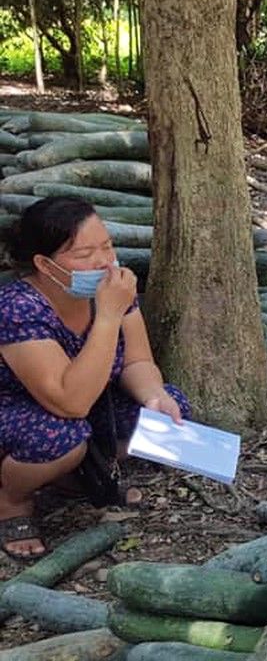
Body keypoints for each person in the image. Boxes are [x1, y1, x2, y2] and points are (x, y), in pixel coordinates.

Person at [0, 198, 189, 560]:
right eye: (85, 253)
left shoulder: (113, 291)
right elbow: (69, 402)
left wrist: (152, 395)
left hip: (89, 403)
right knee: (63, 437)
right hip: (24, 410)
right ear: (44, 263)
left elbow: (137, 361)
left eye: (107, 246)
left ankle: (74, 473)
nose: (103, 262)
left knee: (171, 409)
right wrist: (107, 316)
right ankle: (11, 500)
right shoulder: (18, 308)